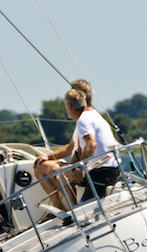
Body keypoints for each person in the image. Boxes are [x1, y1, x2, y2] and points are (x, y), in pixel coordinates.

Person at [32, 83, 121, 213]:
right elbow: (76, 149)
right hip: (109, 169)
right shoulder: (95, 116)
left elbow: (91, 144)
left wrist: (79, 169)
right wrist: (54, 159)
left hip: (100, 173)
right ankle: (68, 209)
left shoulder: (83, 121)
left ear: (69, 106)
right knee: (57, 170)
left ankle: (72, 210)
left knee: (82, 211)